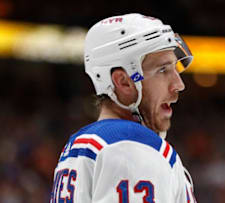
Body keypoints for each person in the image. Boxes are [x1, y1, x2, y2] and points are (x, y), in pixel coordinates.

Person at [50, 13, 196, 203]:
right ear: (124, 81)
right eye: (163, 70)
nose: (179, 84)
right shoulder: (130, 144)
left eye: (175, 69)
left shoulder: (80, 144)